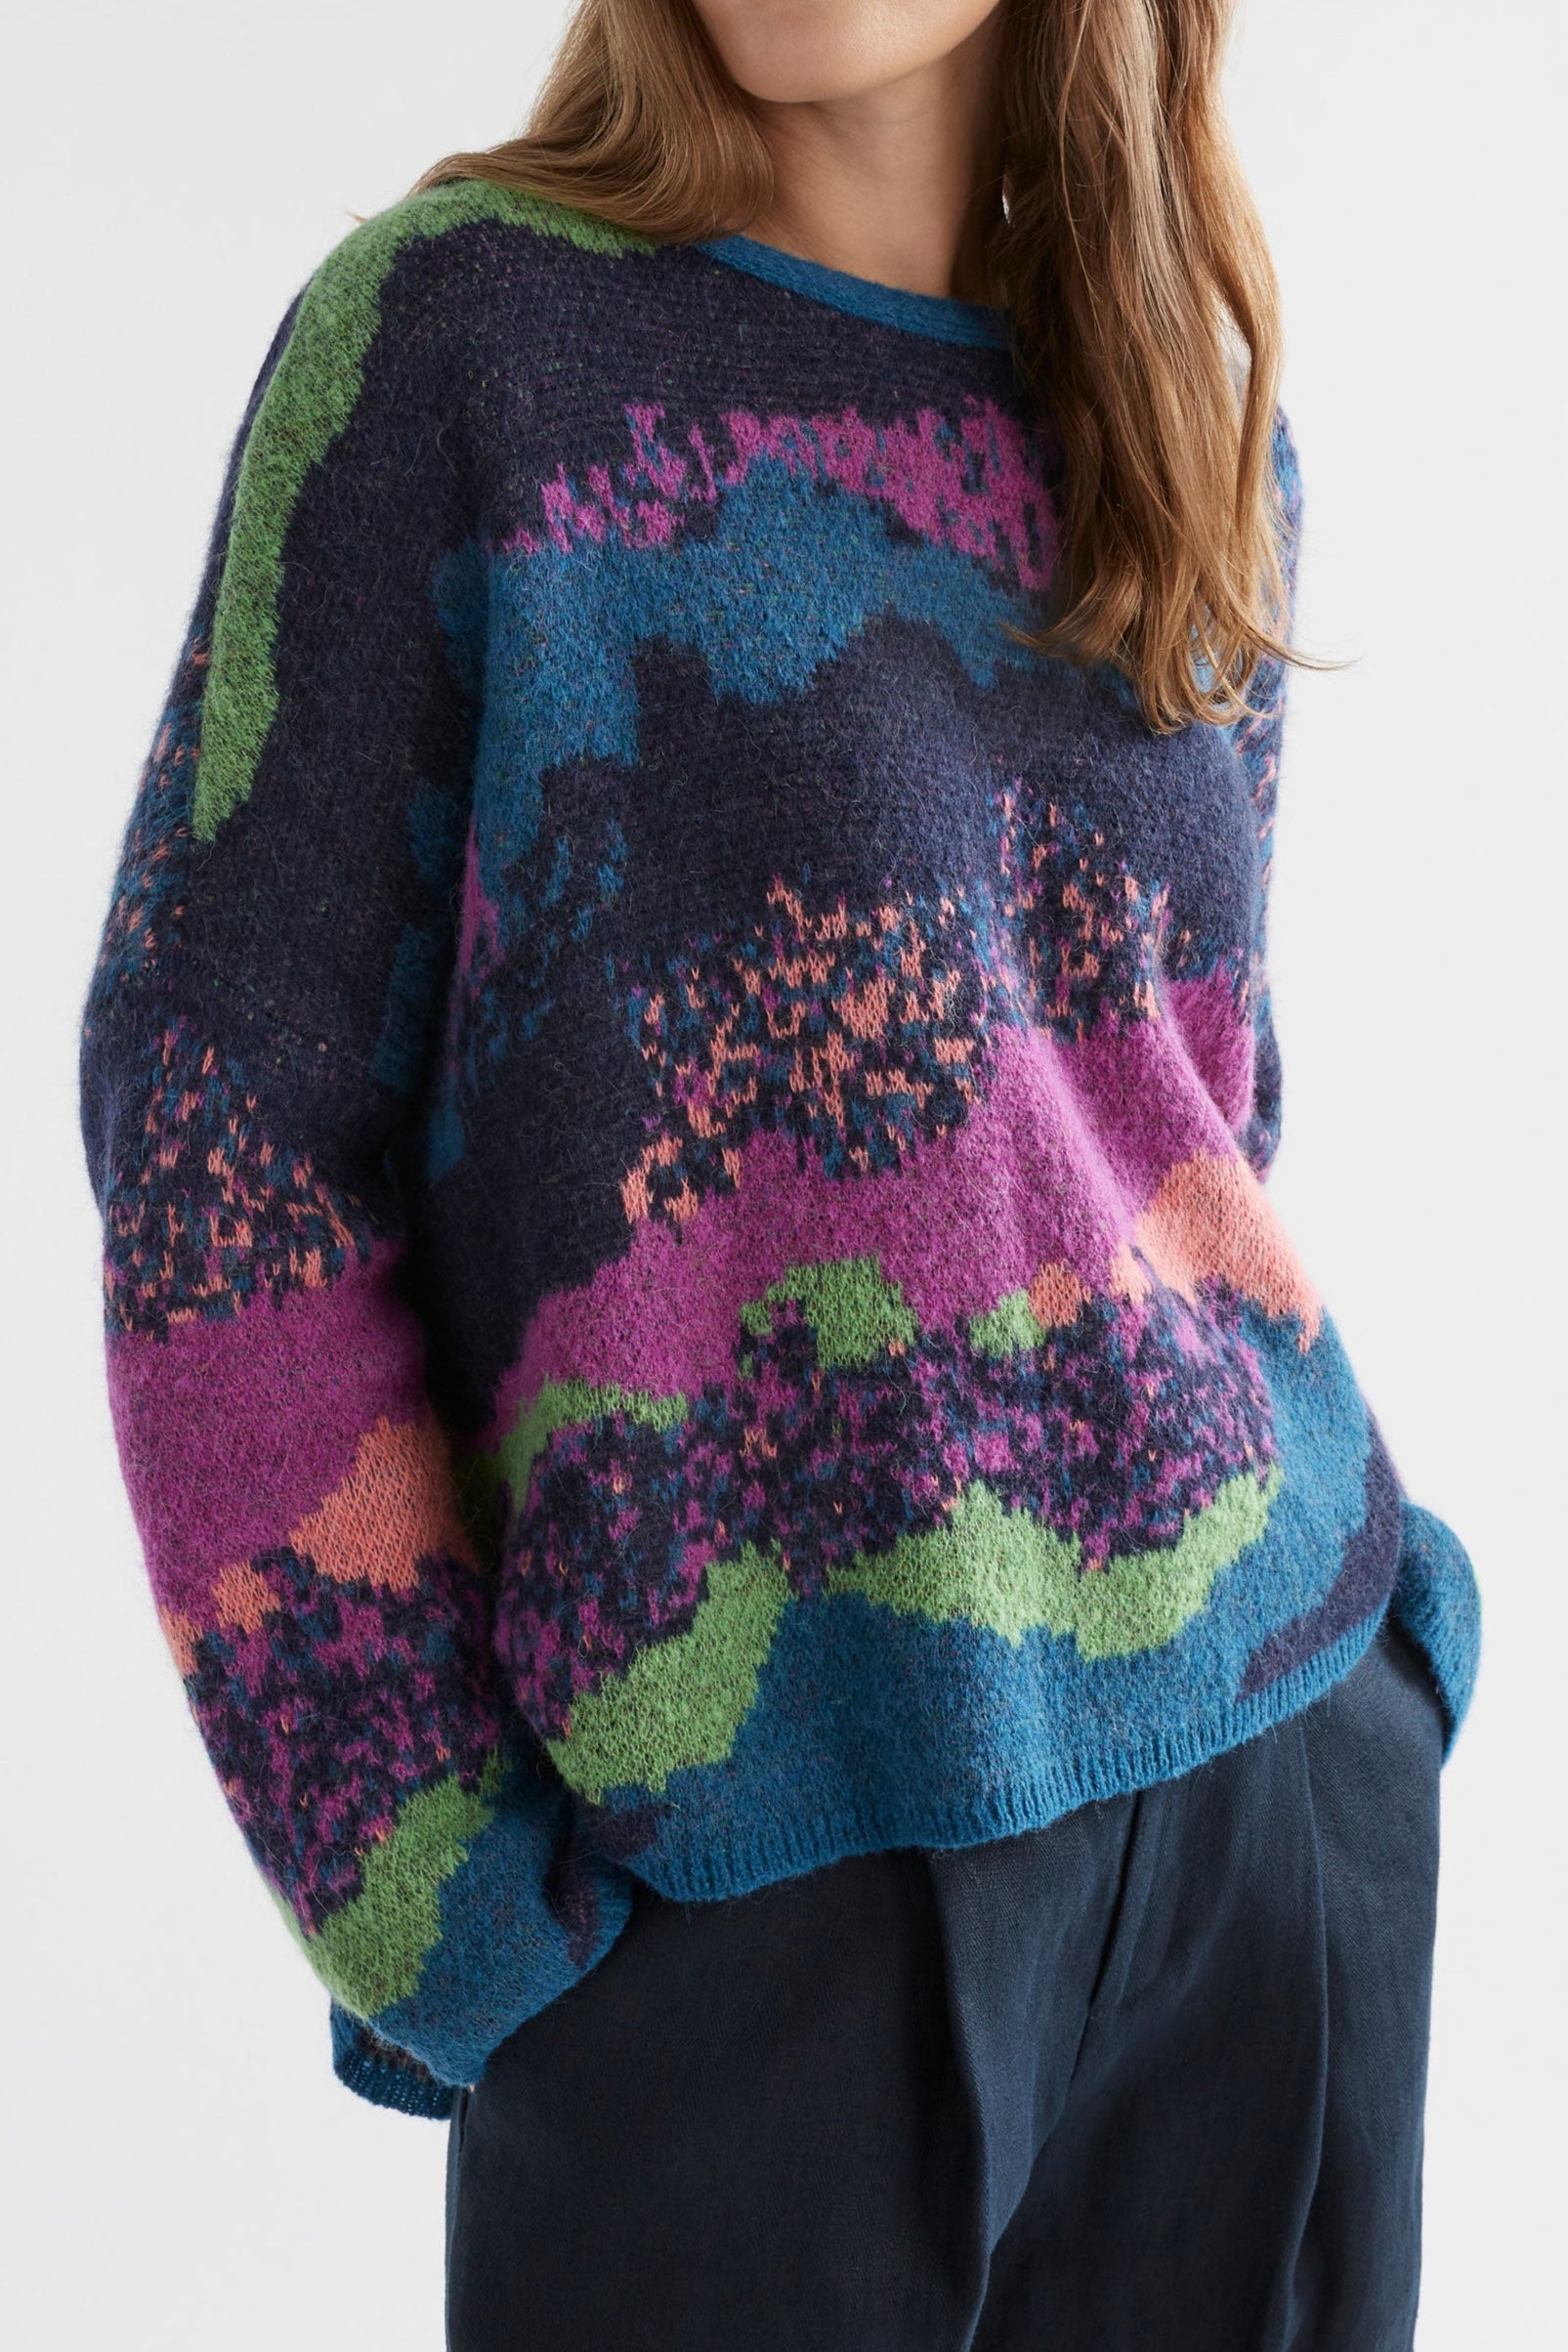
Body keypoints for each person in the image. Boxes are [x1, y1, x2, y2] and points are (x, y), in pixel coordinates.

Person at [78, 1, 1483, 2344]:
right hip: (745, 1911)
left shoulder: (1173, 415)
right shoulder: (466, 350)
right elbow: (217, 1142)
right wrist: (446, 1904)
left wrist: (1387, 1695)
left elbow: (1187, 1117)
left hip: (1273, 1804)